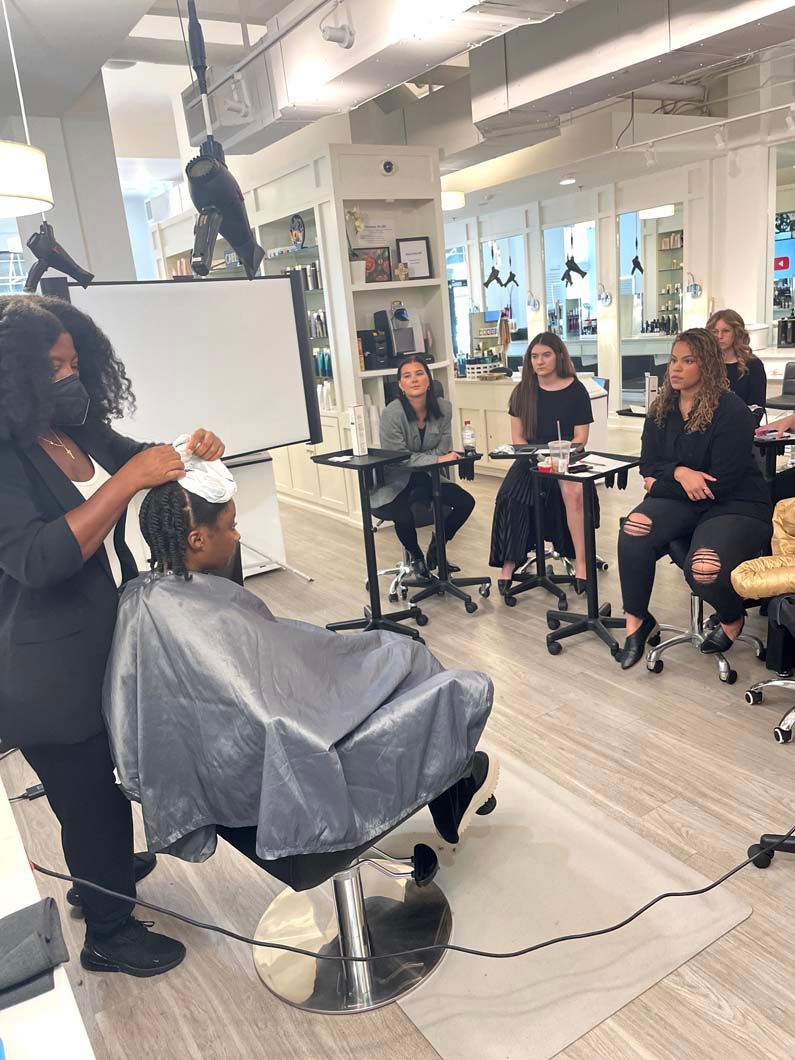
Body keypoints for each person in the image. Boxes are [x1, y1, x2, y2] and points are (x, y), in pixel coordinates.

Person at [102, 473, 499, 866]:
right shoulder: (191, 611)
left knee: (395, 657)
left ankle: (454, 785)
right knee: (418, 662)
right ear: (197, 540)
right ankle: (456, 780)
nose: (238, 536)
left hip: (222, 771)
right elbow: (272, 708)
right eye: (232, 526)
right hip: (277, 757)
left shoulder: (142, 601)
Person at [0, 294, 226, 978]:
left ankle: (96, 873)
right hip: (43, 669)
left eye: (75, 363)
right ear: (16, 374)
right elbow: (38, 560)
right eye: (55, 366)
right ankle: (109, 933)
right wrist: (129, 481)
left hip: (100, 641)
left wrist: (189, 451)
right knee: (88, 796)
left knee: (96, 788)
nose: (70, 377)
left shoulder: (76, 430)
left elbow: (144, 459)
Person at [617, 328, 772, 670]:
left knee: (704, 570)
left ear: (708, 365)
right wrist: (679, 474)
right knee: (635, 527)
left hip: (736, 503)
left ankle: (731, 618)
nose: (676, 368)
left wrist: (658, 484)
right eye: (674, 360)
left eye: (688, 361)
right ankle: (637, 622)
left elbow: (720, 483)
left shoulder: (731, 410)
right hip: (684, 499)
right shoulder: (662, 408)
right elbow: (649, 464)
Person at [489, 332, 595, 596]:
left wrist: (560, 451)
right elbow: (518, 438)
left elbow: (581, 438)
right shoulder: (522, 391)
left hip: (567, 456)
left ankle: (582, 563)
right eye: (534, 356)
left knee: (573, 494)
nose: (540, 361)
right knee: (510, 495)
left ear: (559, 356)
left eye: (546, 355)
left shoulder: (576, 390)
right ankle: (509, 565)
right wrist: (539, 455)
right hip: (532, 457)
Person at [370, 356, 475, 575]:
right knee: (403, 515)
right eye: (407, 376)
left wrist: (433, 458)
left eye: (419, 373)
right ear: (401, 385)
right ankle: (416, 557)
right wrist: (435, 459)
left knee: (465, 502)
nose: (414, 380)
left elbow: (443, 448)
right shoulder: (392, 413)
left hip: (428, 476)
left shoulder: (444, 408)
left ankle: (437, 548)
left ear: (428, 380)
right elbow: (399, 458)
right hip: (396, 478)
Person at [707, 308, 767, 409]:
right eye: (715, 332)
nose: (720, 336)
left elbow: (757, 408)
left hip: (742, 422)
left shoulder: (753, 365)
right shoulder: (705, 364)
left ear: (736, 333)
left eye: (725, 331)